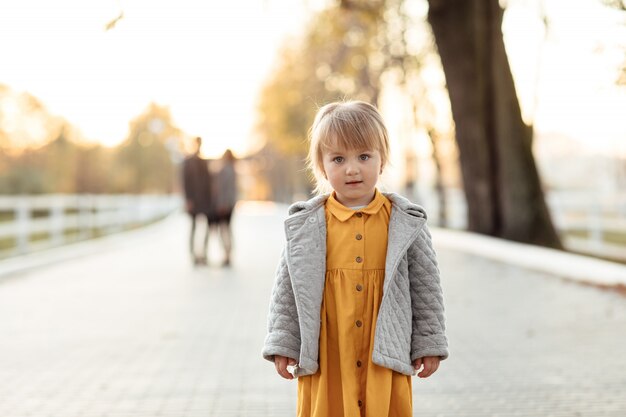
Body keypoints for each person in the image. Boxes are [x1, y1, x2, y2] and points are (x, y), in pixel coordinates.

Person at [262, 101, 448, 417]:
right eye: (338, 158)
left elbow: (426, 289)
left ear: (382, 159)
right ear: (321, 166)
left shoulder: (405, 222)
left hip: (384, 348)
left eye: (364, 156)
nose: (352, 168)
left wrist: (428, 343)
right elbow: (288, 291)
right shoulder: (307, 225)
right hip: (328, 352)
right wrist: (283, 343)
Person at [182, 137, 214, 266]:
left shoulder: (204, 162)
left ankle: (204, 253)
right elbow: (185, 182)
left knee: (206, 227)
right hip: (193, 200)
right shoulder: (187, 162)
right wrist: (188, 199)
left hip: (205, 201)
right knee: (193, 227)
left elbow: (209, 182)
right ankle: (193, 254)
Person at [213, 149, 238, 267]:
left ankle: (227, 254)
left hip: (224, 205)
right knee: (227, 229)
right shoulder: (233, 169)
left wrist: (222, 204)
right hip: (231, 204)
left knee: (224, 230)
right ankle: (228, 254)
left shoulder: (224, 170)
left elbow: (223, 189)